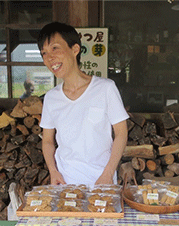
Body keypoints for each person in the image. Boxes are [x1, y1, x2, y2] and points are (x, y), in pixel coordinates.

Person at [38, 22, 129, 186]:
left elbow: (121, 133)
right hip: (65, 183)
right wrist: (53, 171)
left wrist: (108, 173)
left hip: (102, 181)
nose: (49, 57)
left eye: (55, 48)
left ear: (75, 49)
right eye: (44, 53)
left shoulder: (105, 88)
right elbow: (47, 141)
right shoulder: (51, 98)